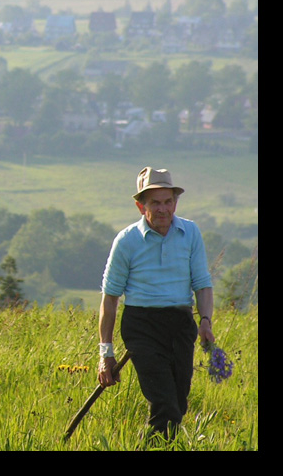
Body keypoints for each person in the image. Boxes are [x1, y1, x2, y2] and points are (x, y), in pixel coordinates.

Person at [97, 166, 215, 441]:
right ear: (141, 207)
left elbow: (202, 283)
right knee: (164, 404)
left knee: (178, 403)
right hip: (142, 326)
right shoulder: (126, 241)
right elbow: (110, 297)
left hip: (181, 325)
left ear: (175, 203)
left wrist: (205, 321)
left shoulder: (190, 233)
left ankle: (158, 445)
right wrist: (106, 353)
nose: (163, 209)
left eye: (168, 202)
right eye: (155, 203)